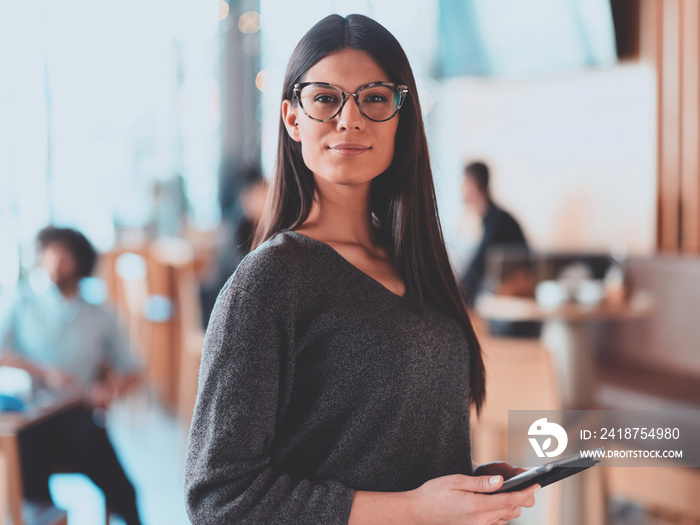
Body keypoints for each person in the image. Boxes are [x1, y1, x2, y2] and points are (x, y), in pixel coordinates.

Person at [185, 14, 538, 525]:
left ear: (401, 116)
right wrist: (415, 510)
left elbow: (382, 454)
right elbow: (219, 501)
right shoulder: (268, 282)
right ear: (292, 118)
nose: (350, 119)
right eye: (325, 98)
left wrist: (465, 489)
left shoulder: (418, 263)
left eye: (374, 98)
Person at [0, 226, 142, 525]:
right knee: (28, 477)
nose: (54, 263)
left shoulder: (100, 314)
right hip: (31, 419)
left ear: (80, 261)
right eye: (49, 255)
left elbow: (132, 370)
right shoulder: (22, 302)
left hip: (77, 416)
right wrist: (44, 371)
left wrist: (108, 389)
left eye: (63, 255)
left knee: (125, 492)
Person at [459, 161, 530, 308]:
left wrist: (456, 296)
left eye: (464, 183)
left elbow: (477, 266)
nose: (461, 190)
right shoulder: (494, 219)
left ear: (473, 184)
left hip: (514, 300)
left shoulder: (497, 223)